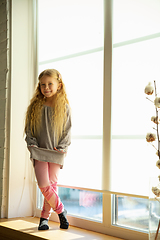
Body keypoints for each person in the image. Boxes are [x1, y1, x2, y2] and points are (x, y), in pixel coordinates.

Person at [24, 69, 71, 230]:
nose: (46, 87)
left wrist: (62, 147)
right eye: (43, 84)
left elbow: (67, 131)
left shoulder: (63, 107)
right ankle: (61, 210)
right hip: (39, 151)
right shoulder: (34, 107)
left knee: (51, 185)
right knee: (44, 185)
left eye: (50, 84)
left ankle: (44, 219)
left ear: (59, 85)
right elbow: (29, 130)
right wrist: (32, 143)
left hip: (56, 152)